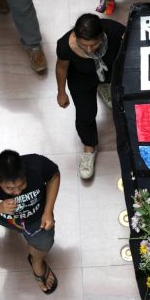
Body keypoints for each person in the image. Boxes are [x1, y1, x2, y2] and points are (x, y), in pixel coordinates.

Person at [0, 150, 61, 294]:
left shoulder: (37, 164)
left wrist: (48, 211)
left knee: (44, 243)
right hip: (5, 219)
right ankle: (13, 230)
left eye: (22, 184)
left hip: (36, 218)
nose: (18, 192)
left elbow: (54, 176)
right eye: (10, 188)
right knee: (12, 229)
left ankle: (36, 261)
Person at [56, 14, 125, 179]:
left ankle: (103, 86)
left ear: (102, 35)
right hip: (81, 79)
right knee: (85, 115)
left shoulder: (114, 30)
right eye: (83, 45)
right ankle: (89, 147)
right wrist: (61, 91)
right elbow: (61, 68)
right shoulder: (65, 45)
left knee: (113, 83)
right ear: (75, 35)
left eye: (94, 44)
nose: (89, 50)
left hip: (109, 71)